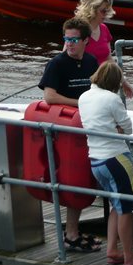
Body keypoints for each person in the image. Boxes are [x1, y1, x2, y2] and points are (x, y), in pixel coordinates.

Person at [38, 18, 101, 252]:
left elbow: (100, 90)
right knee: (71, 181)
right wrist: (81, 103)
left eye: (74, 39)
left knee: (85, 179)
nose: (70, 44)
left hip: (87, 128)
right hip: (63, 131)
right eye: (66, 39)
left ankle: (72, 231)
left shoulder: (92, 61)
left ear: (85, 40)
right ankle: (70, 234)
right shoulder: (57, 64)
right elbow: (50, 97)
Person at [79, 62, 133, 265]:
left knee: (115, 207)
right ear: (115, 82)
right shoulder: (112, 98)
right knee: (125, 208)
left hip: (96, 160)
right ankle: (128, 255)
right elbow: (128, 128)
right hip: (116, 158)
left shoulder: (84, 97)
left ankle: (112, 250)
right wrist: (118, 128)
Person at [73, 0, 133, 98]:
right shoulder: (78, 30)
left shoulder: (104, 29)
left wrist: (123, 81)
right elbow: (66, 58)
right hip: (83, 84)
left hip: (102, 84)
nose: (106, 14)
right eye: (103, 11)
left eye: (107, 11)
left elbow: (109, 59)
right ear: (92, 10)